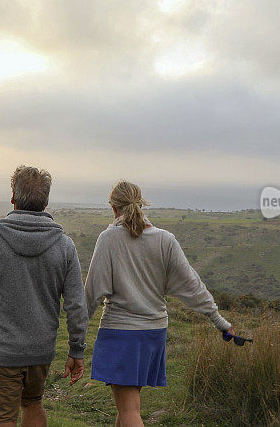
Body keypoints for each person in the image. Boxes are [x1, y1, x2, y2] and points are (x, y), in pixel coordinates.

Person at [85, 181, 235, 426]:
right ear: (141, 203)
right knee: (127, 407)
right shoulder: (166, 240)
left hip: (121, 332)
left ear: (113, 209)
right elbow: (192, 285)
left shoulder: (109, 238)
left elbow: (92, 293)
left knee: (129, 410)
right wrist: (219, 320)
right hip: (154, 333)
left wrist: (77, 338)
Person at [0, 165, 88, 427]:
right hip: (41, 349)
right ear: (46, 201)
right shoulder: (64, 245)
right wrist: (76, 349)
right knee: (33, 402)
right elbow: (76, 304)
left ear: (13, 198)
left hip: (4, 350)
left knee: (4, 417)